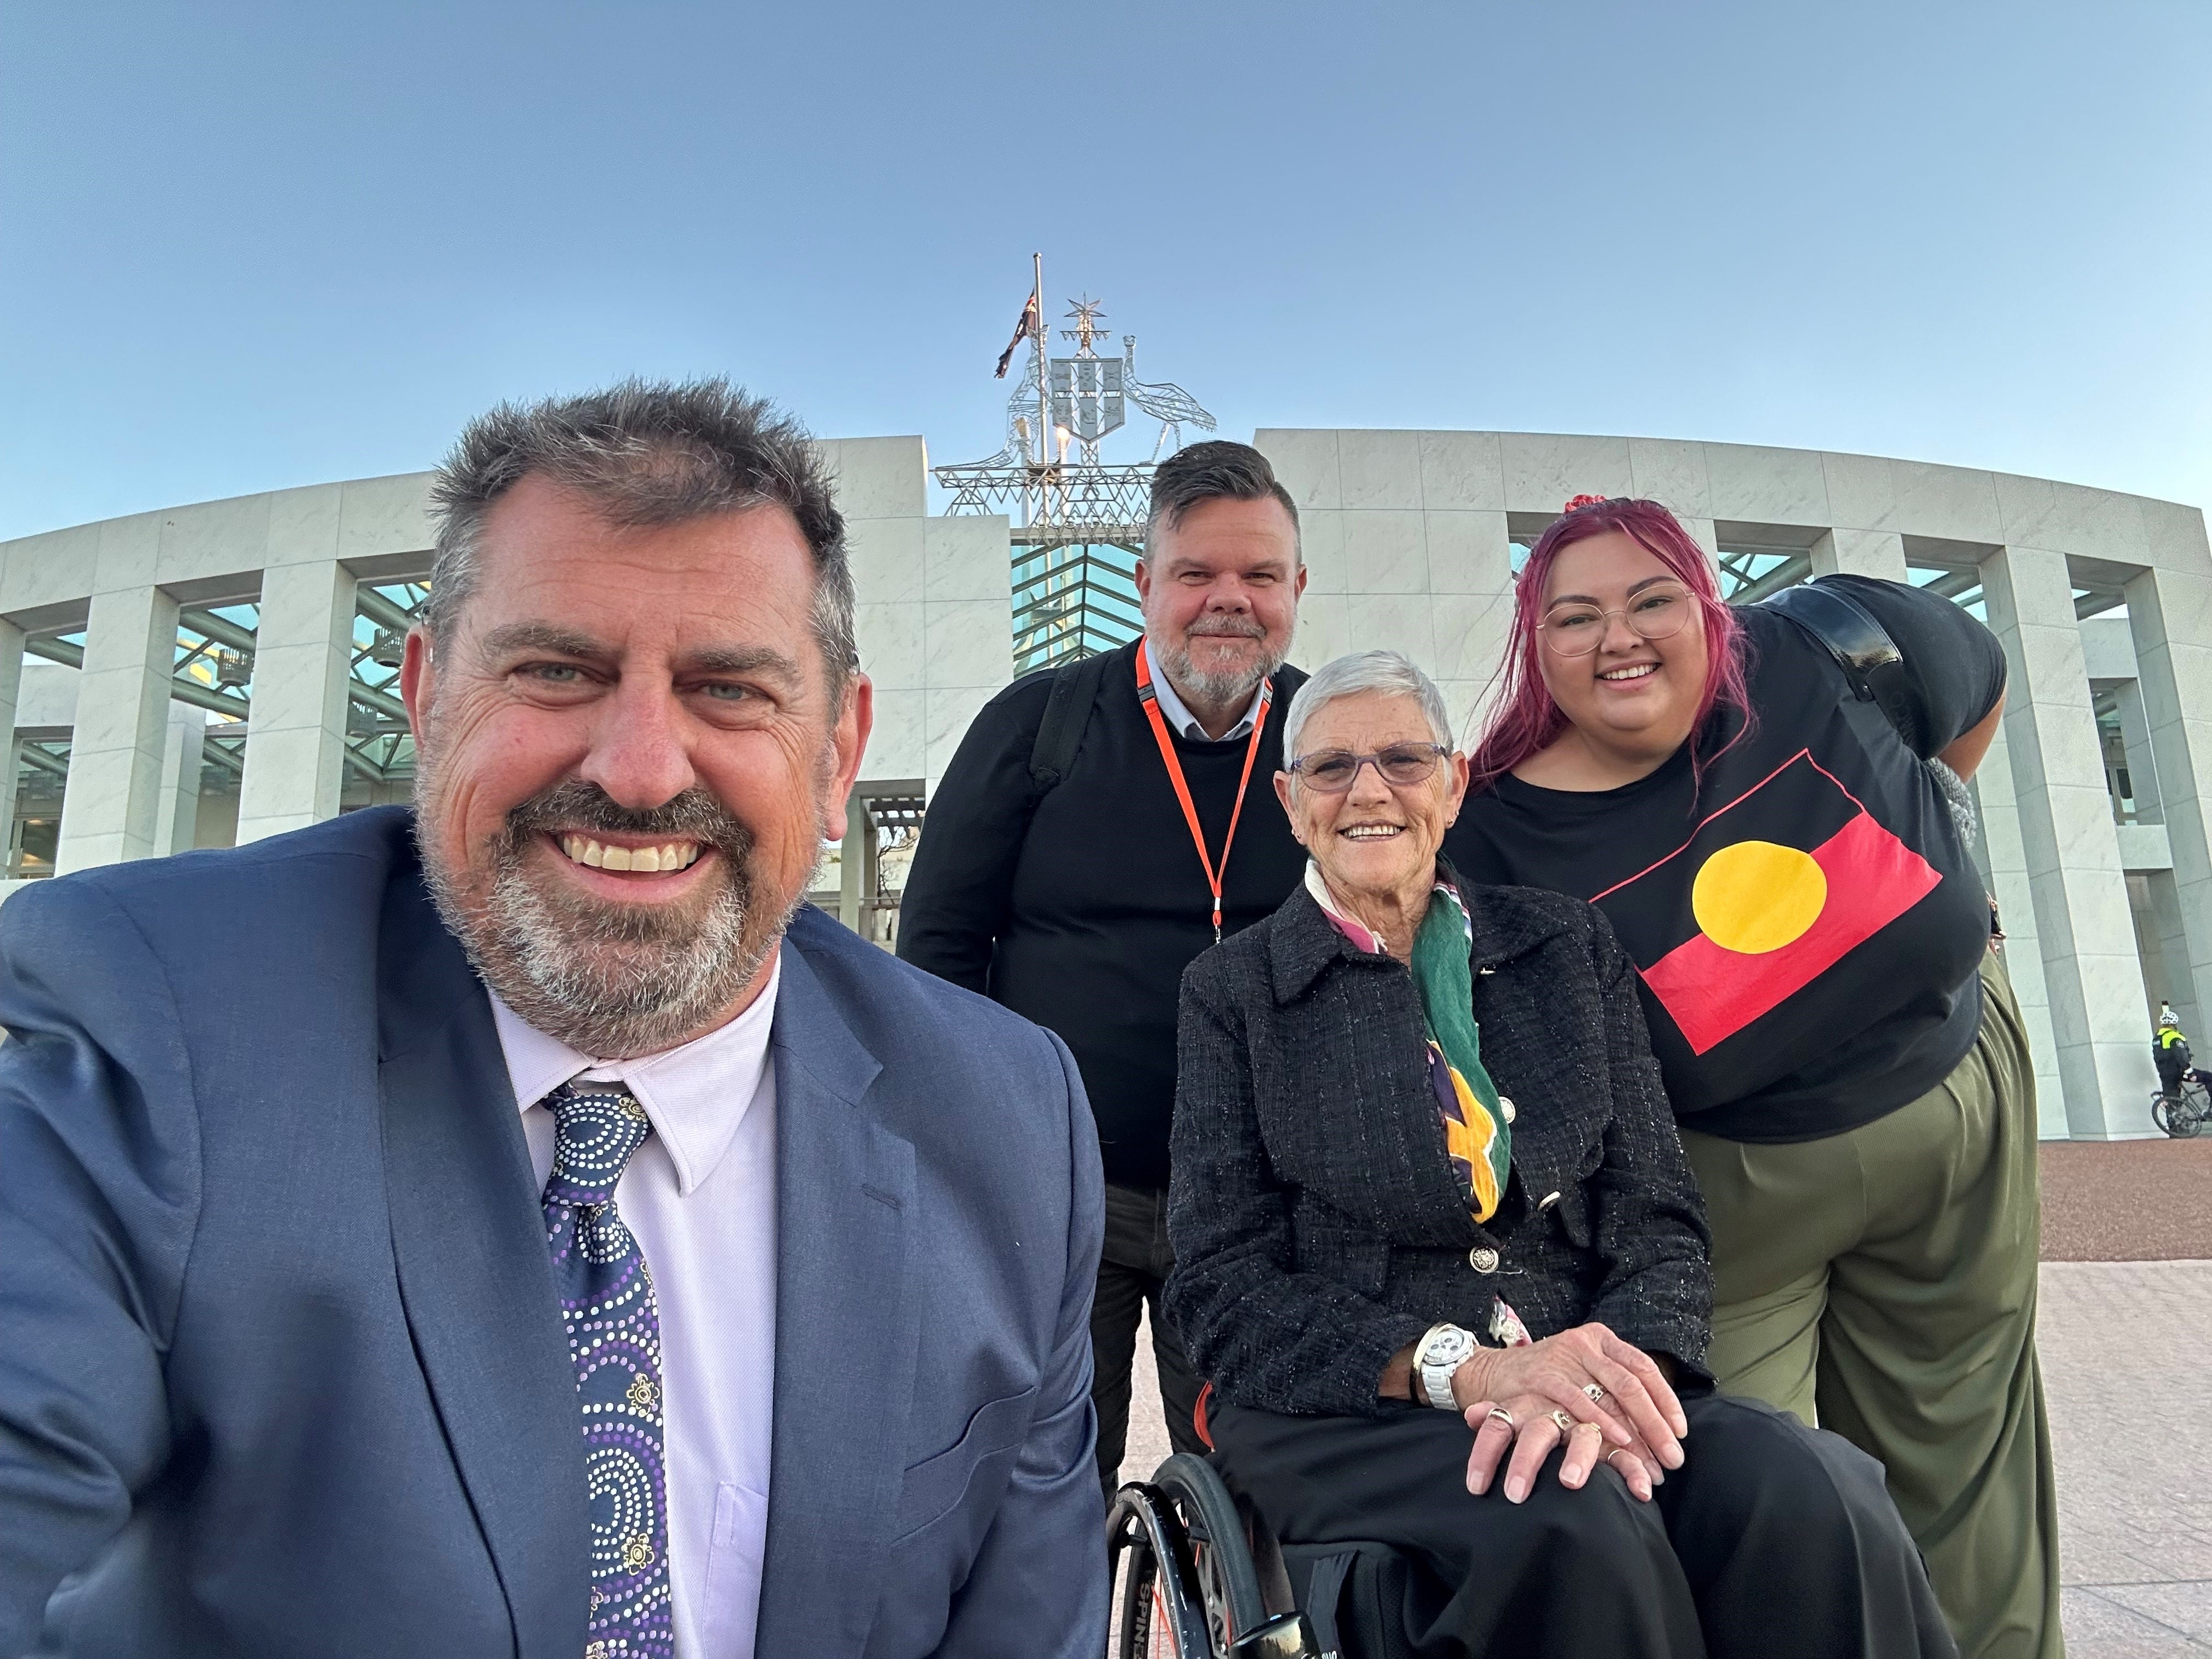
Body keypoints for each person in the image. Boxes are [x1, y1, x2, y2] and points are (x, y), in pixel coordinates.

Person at [0, 381, 1107, 1658]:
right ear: (424, 698)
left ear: (838, 752)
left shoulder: (1007, 1117)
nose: (640, 770)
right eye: (555, 671)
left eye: (731, 691)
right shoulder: (171, 1026)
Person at [1166, 649, 1954, 1658]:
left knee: (1812, 1490)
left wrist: (1613, 1376)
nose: (1369, 789)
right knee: (1572, 1525)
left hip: (1587, 1364)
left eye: (1404, 759)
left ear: (1451, 785)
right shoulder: (1233, 994)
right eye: (1331, 767)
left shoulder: (1563, 947)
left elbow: (1657, 1215)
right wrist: (1466, 1371)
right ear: (1290, 800)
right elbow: (1222, 1286)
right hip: (1359, 1401)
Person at [1442, 496, 2057, 1659]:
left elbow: (1968, 700)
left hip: (1950, 1111)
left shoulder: (1820, 648)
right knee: (1762, 1506)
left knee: (1971, 1492)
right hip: (1736, 1200)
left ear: (1707, 604)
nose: (1618, 637)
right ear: (1537, 646)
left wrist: (1949, 868)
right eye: (1575, 618)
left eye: (1652, 599)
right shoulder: (1491, 837)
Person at [898, 440, 1310, 1492]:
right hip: (1057, 1196)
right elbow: (940, 948)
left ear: (1297, 588)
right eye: (1196, 573)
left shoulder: (1330, 738)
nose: (1230, 599)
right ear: (1143, 585)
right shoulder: (1036, 725)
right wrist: (966, 1151)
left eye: (1259, 575)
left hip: (1257, 1205)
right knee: (1040, 1483)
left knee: (1252, 1487)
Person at [2152, 1005, 2209, 1095]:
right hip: (2178, 1071)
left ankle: (2170, 1106)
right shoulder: (2174, 1036)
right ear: (2174, 1024)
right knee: (2209, 1078)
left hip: (2164, 1072)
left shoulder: (2158, 1038)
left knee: (2173, 1101)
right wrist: (2189, 1072)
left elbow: (2161, 1055)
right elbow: (2181, 1056)